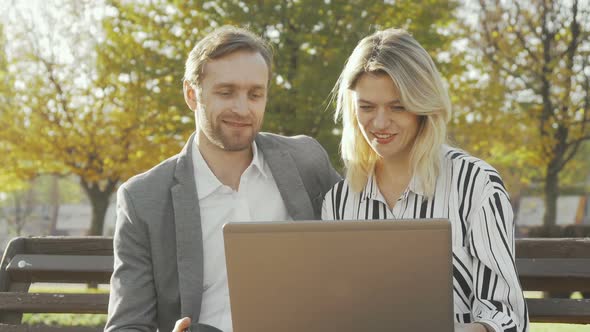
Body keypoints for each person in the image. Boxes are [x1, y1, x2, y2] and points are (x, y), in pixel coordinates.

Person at [105, 25, 341, 332]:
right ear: (192, 94)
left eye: (255, 94)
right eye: (226, 92)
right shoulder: (144, 198)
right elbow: (127, 325)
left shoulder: (306, 161)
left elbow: (362, 237)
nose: (242, 109)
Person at [321, 28, 529, 332]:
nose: (379, 123)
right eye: (366, 107)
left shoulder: (475, 185)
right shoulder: (339, 201)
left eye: (397, 106)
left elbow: (506, 314)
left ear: (423, 106)